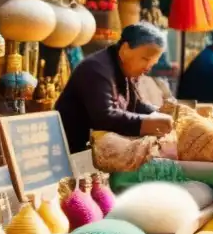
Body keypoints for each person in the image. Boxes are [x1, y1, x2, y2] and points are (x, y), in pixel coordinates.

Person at [56, 22, 173, 151]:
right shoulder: (96, 69)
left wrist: (164, 112)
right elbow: (105, 117)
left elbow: (136, 105)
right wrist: (149, 122)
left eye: (152, 63)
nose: (148, 68)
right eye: (145, 59)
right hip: (72, 150)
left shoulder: (125, 68)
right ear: (125, 49)